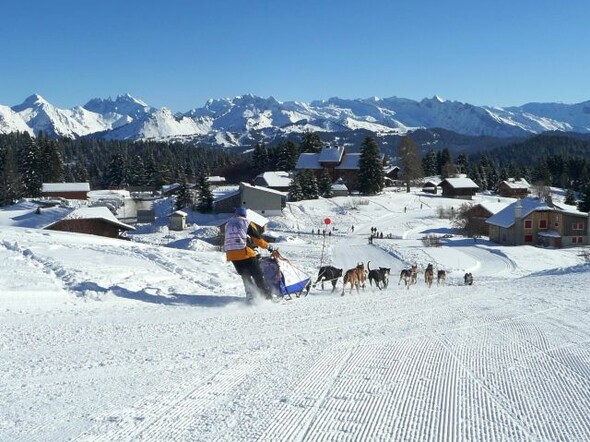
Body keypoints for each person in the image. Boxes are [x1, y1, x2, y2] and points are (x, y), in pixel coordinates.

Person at [224, 207, 274, 302]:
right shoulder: (246, 222)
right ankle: (266, 296)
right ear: (245, 215)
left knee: (245, 275)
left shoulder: (228, 224)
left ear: (235, 214)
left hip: (231, 254)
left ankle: (251, 296)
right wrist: (268, 246)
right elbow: (257, 239)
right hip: (244, 253)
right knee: (257, 274)